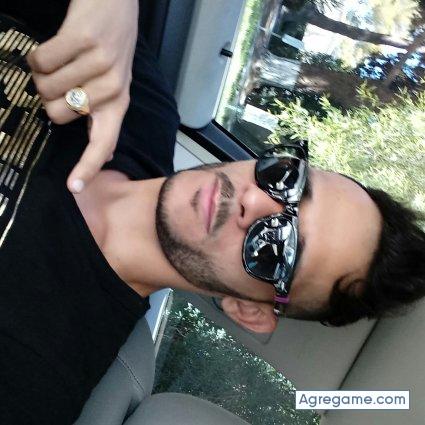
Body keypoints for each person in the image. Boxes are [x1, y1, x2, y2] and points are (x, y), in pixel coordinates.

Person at [1, 2, 424, 425]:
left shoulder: (34, 373)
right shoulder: (146, 107)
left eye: (278, 248)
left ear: (248, 309)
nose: (255, 201)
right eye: (287, 177)